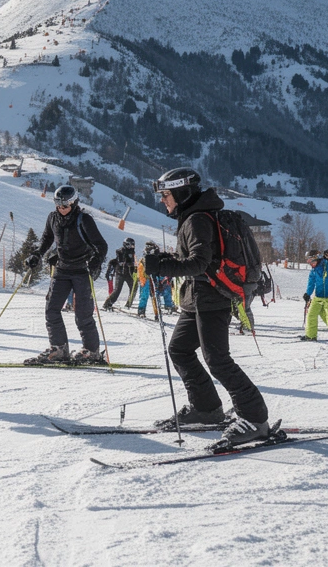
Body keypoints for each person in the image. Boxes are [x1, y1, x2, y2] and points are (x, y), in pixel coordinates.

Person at [139, 168, 269, 447]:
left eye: (166, 195)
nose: (163, 200)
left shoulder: (197, 218)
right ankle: (206, 408)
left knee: (218, 360)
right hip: (196, 298)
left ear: (181, 193)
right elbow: (199, 258)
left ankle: (255, 419)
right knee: (180, 350)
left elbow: (199, 262)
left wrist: (162, 266)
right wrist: (166, 259)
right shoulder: (194, 216)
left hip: (212, 297)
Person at [22, 184, 108, 365]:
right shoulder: (53, 218)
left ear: (74, 203)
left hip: (82, 270)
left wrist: (95, 262)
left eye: (65, 206)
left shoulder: (83, 219)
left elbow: (101, 245)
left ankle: (91, 351)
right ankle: (59, 349)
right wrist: (37, 254)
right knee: (51, 309)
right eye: (58, 205)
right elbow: (46, 239)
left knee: (82, 314)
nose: (61, 210)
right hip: (62, 269)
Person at [102, 237, 136, 311]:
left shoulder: (132, 252)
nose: (131, 247)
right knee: (117, 290)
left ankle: (128, 304)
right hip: (120, 273)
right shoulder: (121, 251)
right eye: (129, 245)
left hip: (129, 273)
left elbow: (132, 261)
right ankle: (107, 304)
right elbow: (120, 261)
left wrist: (134, 267)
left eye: (132, 245)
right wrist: (127, 263)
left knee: (133, 288)